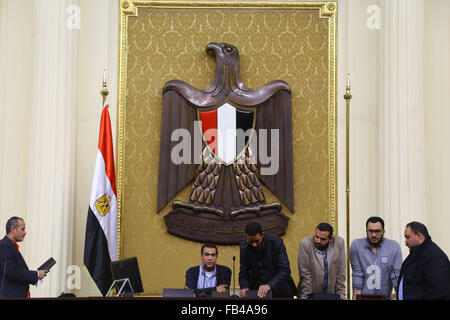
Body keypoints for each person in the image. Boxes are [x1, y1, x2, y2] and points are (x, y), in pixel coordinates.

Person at [239, 222, 297, 298]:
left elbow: (285, 270)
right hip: (258, 293)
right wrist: (244, 287)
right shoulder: (244, 247)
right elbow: (243, 272)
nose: (254, 245)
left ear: (262, 235)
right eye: (250, 242)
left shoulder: (276, 243)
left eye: (256, 241)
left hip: (281, 290)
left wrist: (269, 285)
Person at [349, 216, 402, 299]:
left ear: (384, 231)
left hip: (385, 297)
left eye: (377, 231)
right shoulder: (356, 245)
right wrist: (355, 297)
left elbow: (395, 275)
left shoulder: (394, 246)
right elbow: (357, 274)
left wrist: (401, 296)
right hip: (364, 297)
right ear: (366, 231)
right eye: (370, 231)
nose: (374, 235)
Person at [398, 221, 450, 300]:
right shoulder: (416, 253)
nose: (405, 241)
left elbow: (438, 292)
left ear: (419, 235)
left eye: (408, 237)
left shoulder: (434, 256)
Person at [0, 217, 48, 298]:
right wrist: (36, 274)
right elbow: (12, 271)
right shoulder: (5, 245)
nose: (25, 232)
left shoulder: (10, 246)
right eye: (22, 229)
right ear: (13, 230)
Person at [298, 222, 346, 299]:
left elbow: (341, 273)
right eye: (316, 237)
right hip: (311, 294)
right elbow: (305, 275)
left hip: (332, 295)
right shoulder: (305, 244)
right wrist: (306, 296)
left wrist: (341, 295)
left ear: (331, 239)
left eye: (322, 239)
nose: (318, 241)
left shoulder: (339, 243)